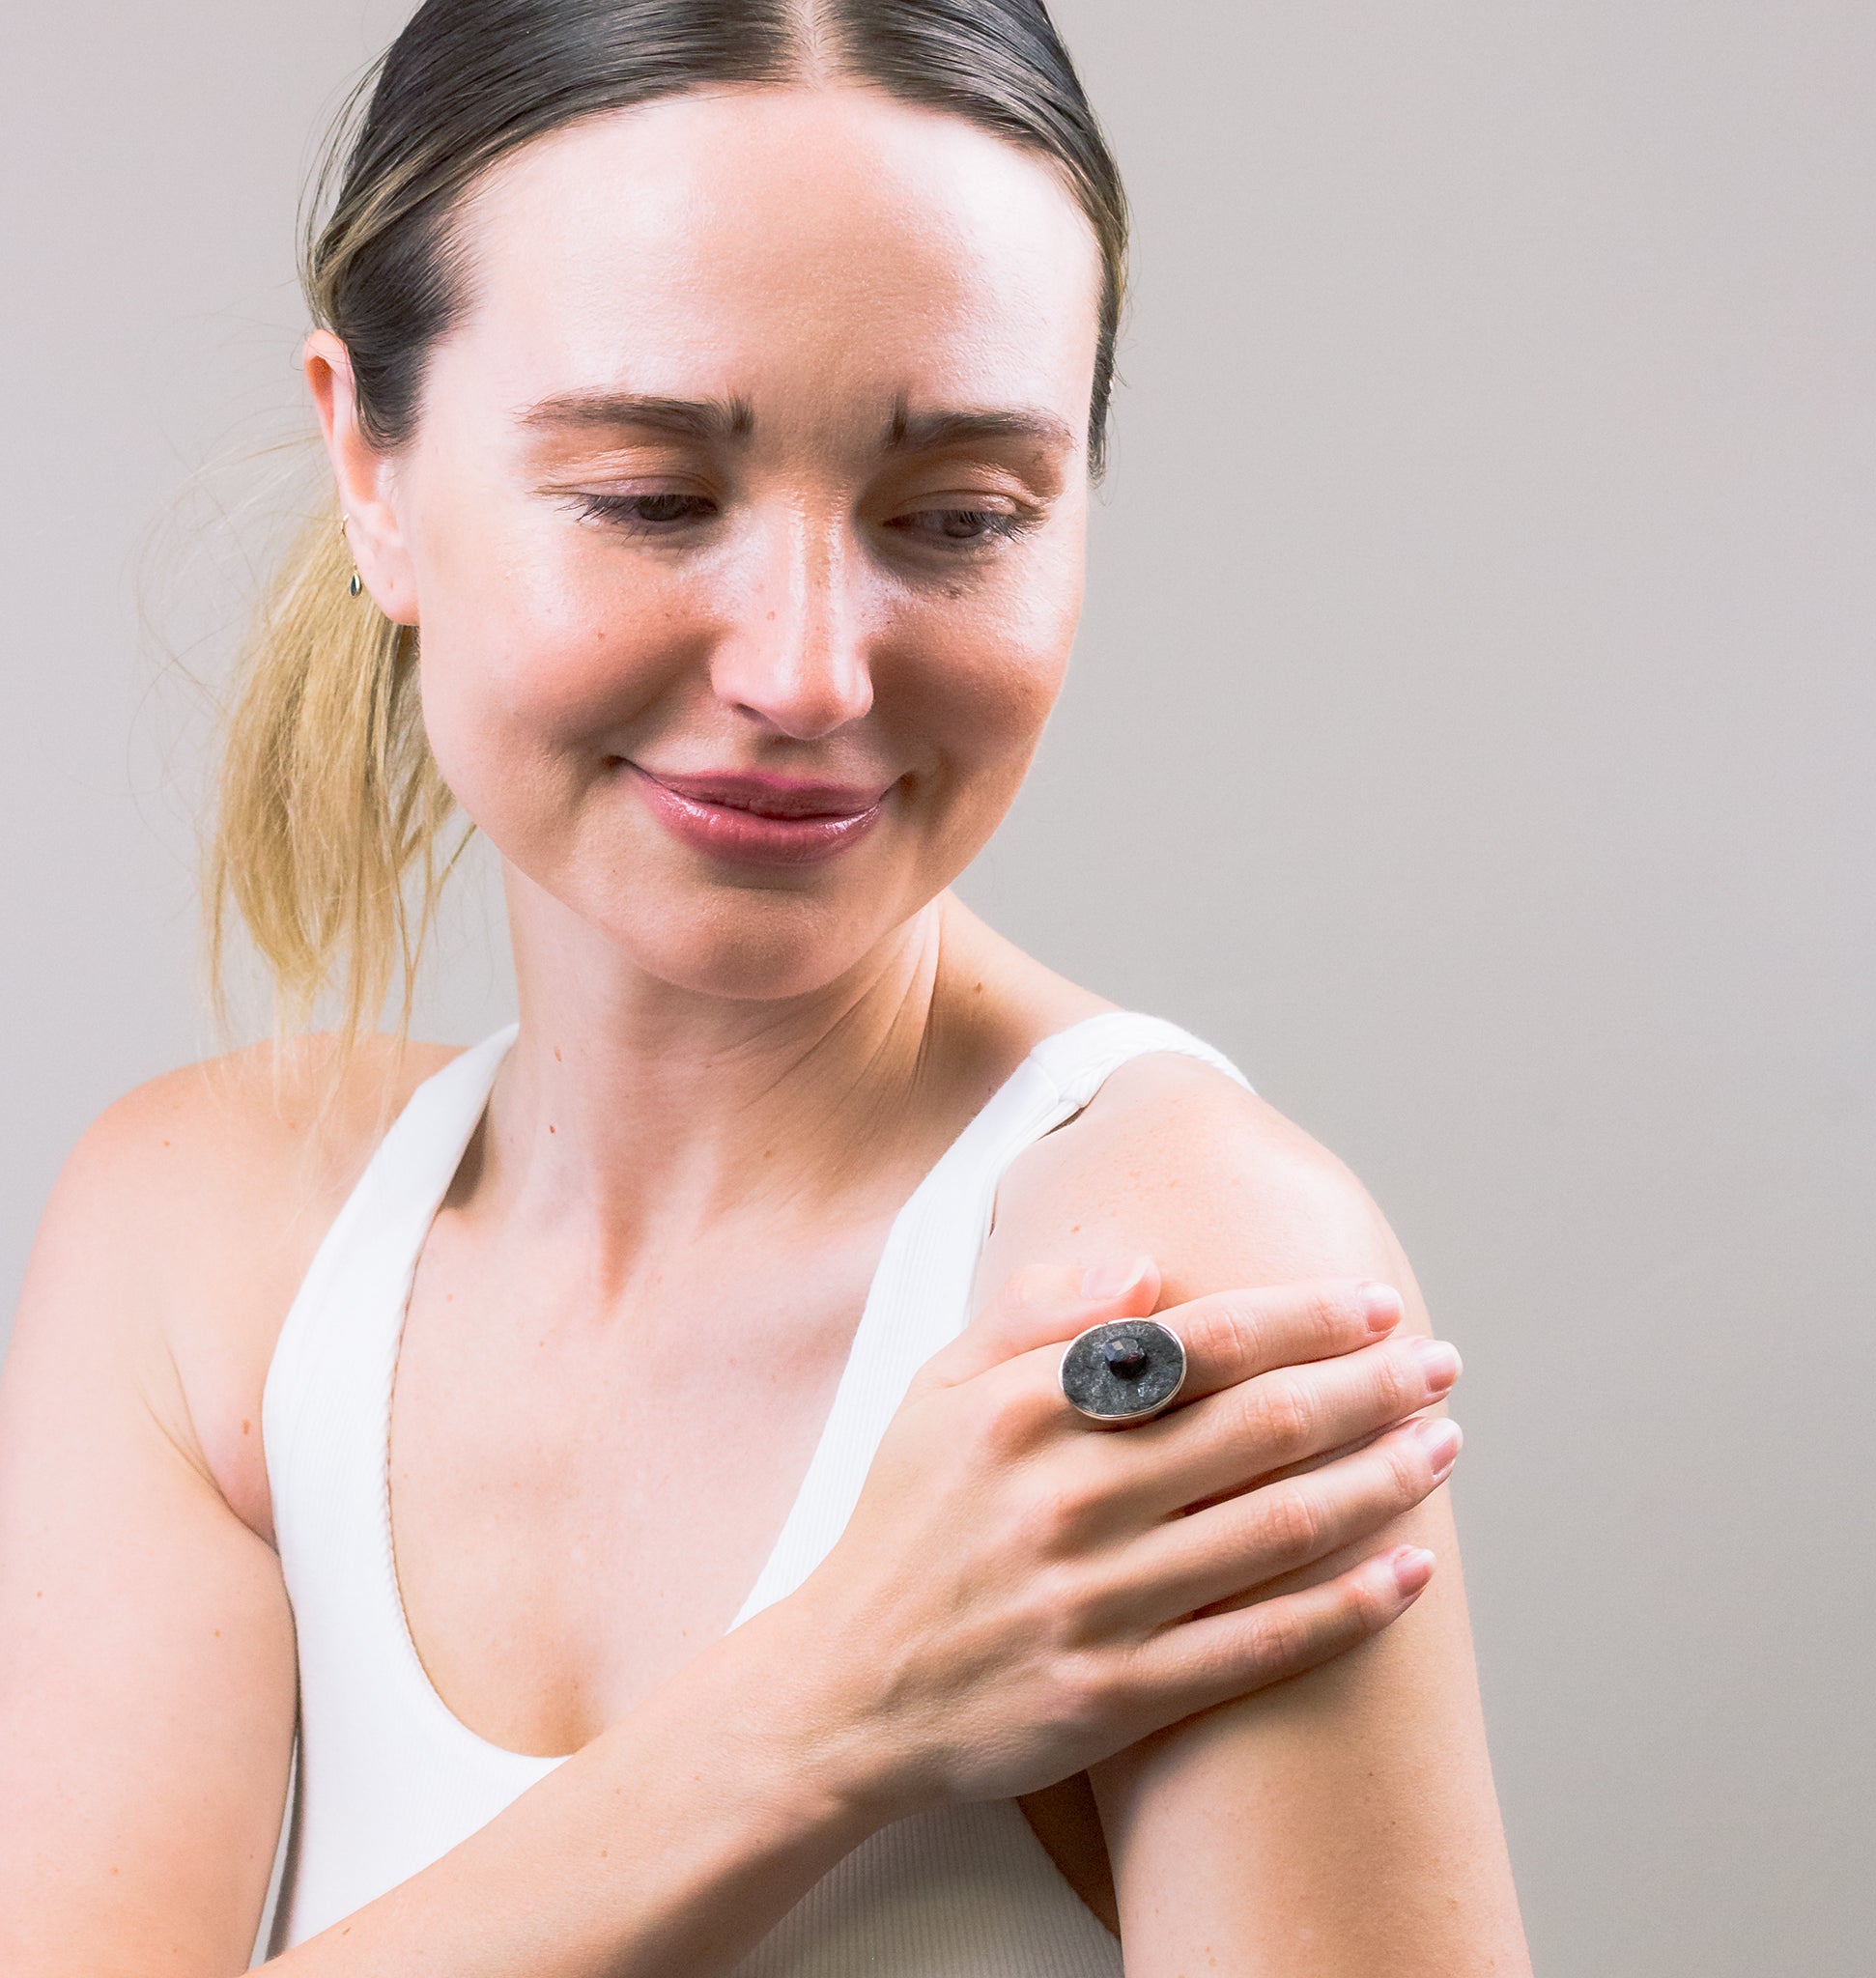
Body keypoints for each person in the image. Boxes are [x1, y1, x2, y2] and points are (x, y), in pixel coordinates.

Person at [0, 3, 1530, 1971]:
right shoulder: (208, 1246)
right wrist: (823, 1711)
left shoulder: (1162, 1267)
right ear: (371, 468)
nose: (808, 672)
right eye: (648, 495)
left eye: (960, 517)